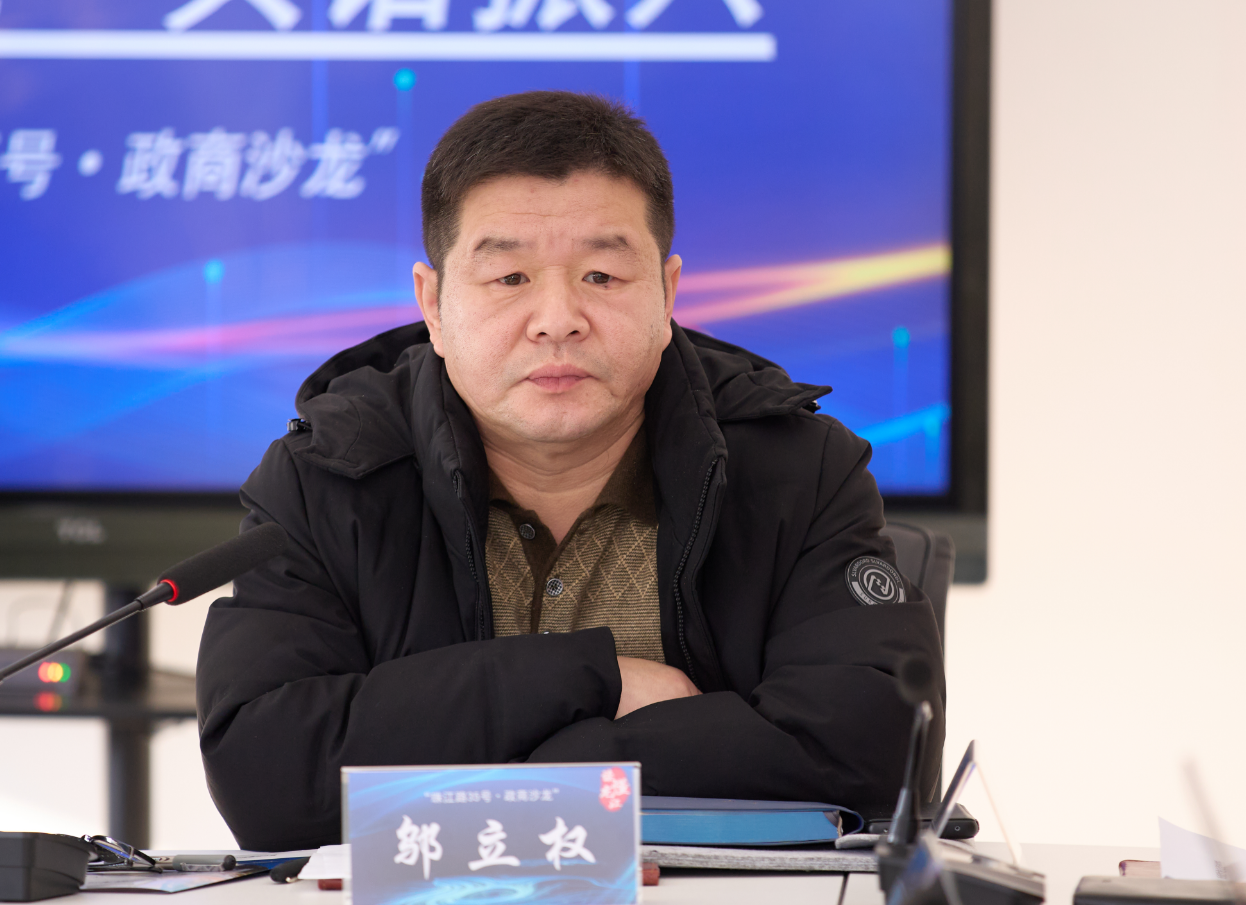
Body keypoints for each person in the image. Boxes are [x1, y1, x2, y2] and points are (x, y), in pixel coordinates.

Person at [196, 91, 945, 851]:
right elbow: (269, 776)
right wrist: (593, 677)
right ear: (434, 305)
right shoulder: (328, 477)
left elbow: (873, 753)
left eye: (602, 276)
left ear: (667, 293)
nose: (557, 319)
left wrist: (545, 762)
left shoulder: (798, 468)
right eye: (509, 278)